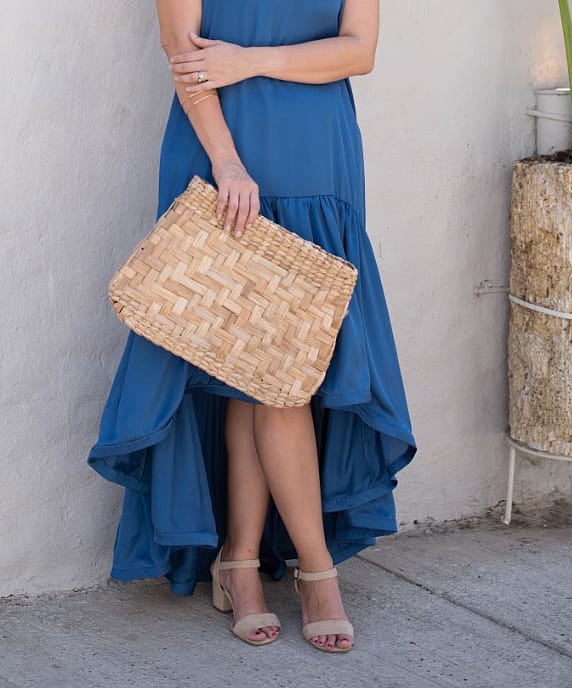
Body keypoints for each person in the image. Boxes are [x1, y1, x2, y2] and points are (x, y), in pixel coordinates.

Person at [88, 0, 416, 654]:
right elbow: (183, 53)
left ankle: (239, 560)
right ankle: (315, 573)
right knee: (264, 369)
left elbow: (359, 51)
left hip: (320, 159)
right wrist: (228, 164)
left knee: (266, 367)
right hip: (226, 160)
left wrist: (250, 61)